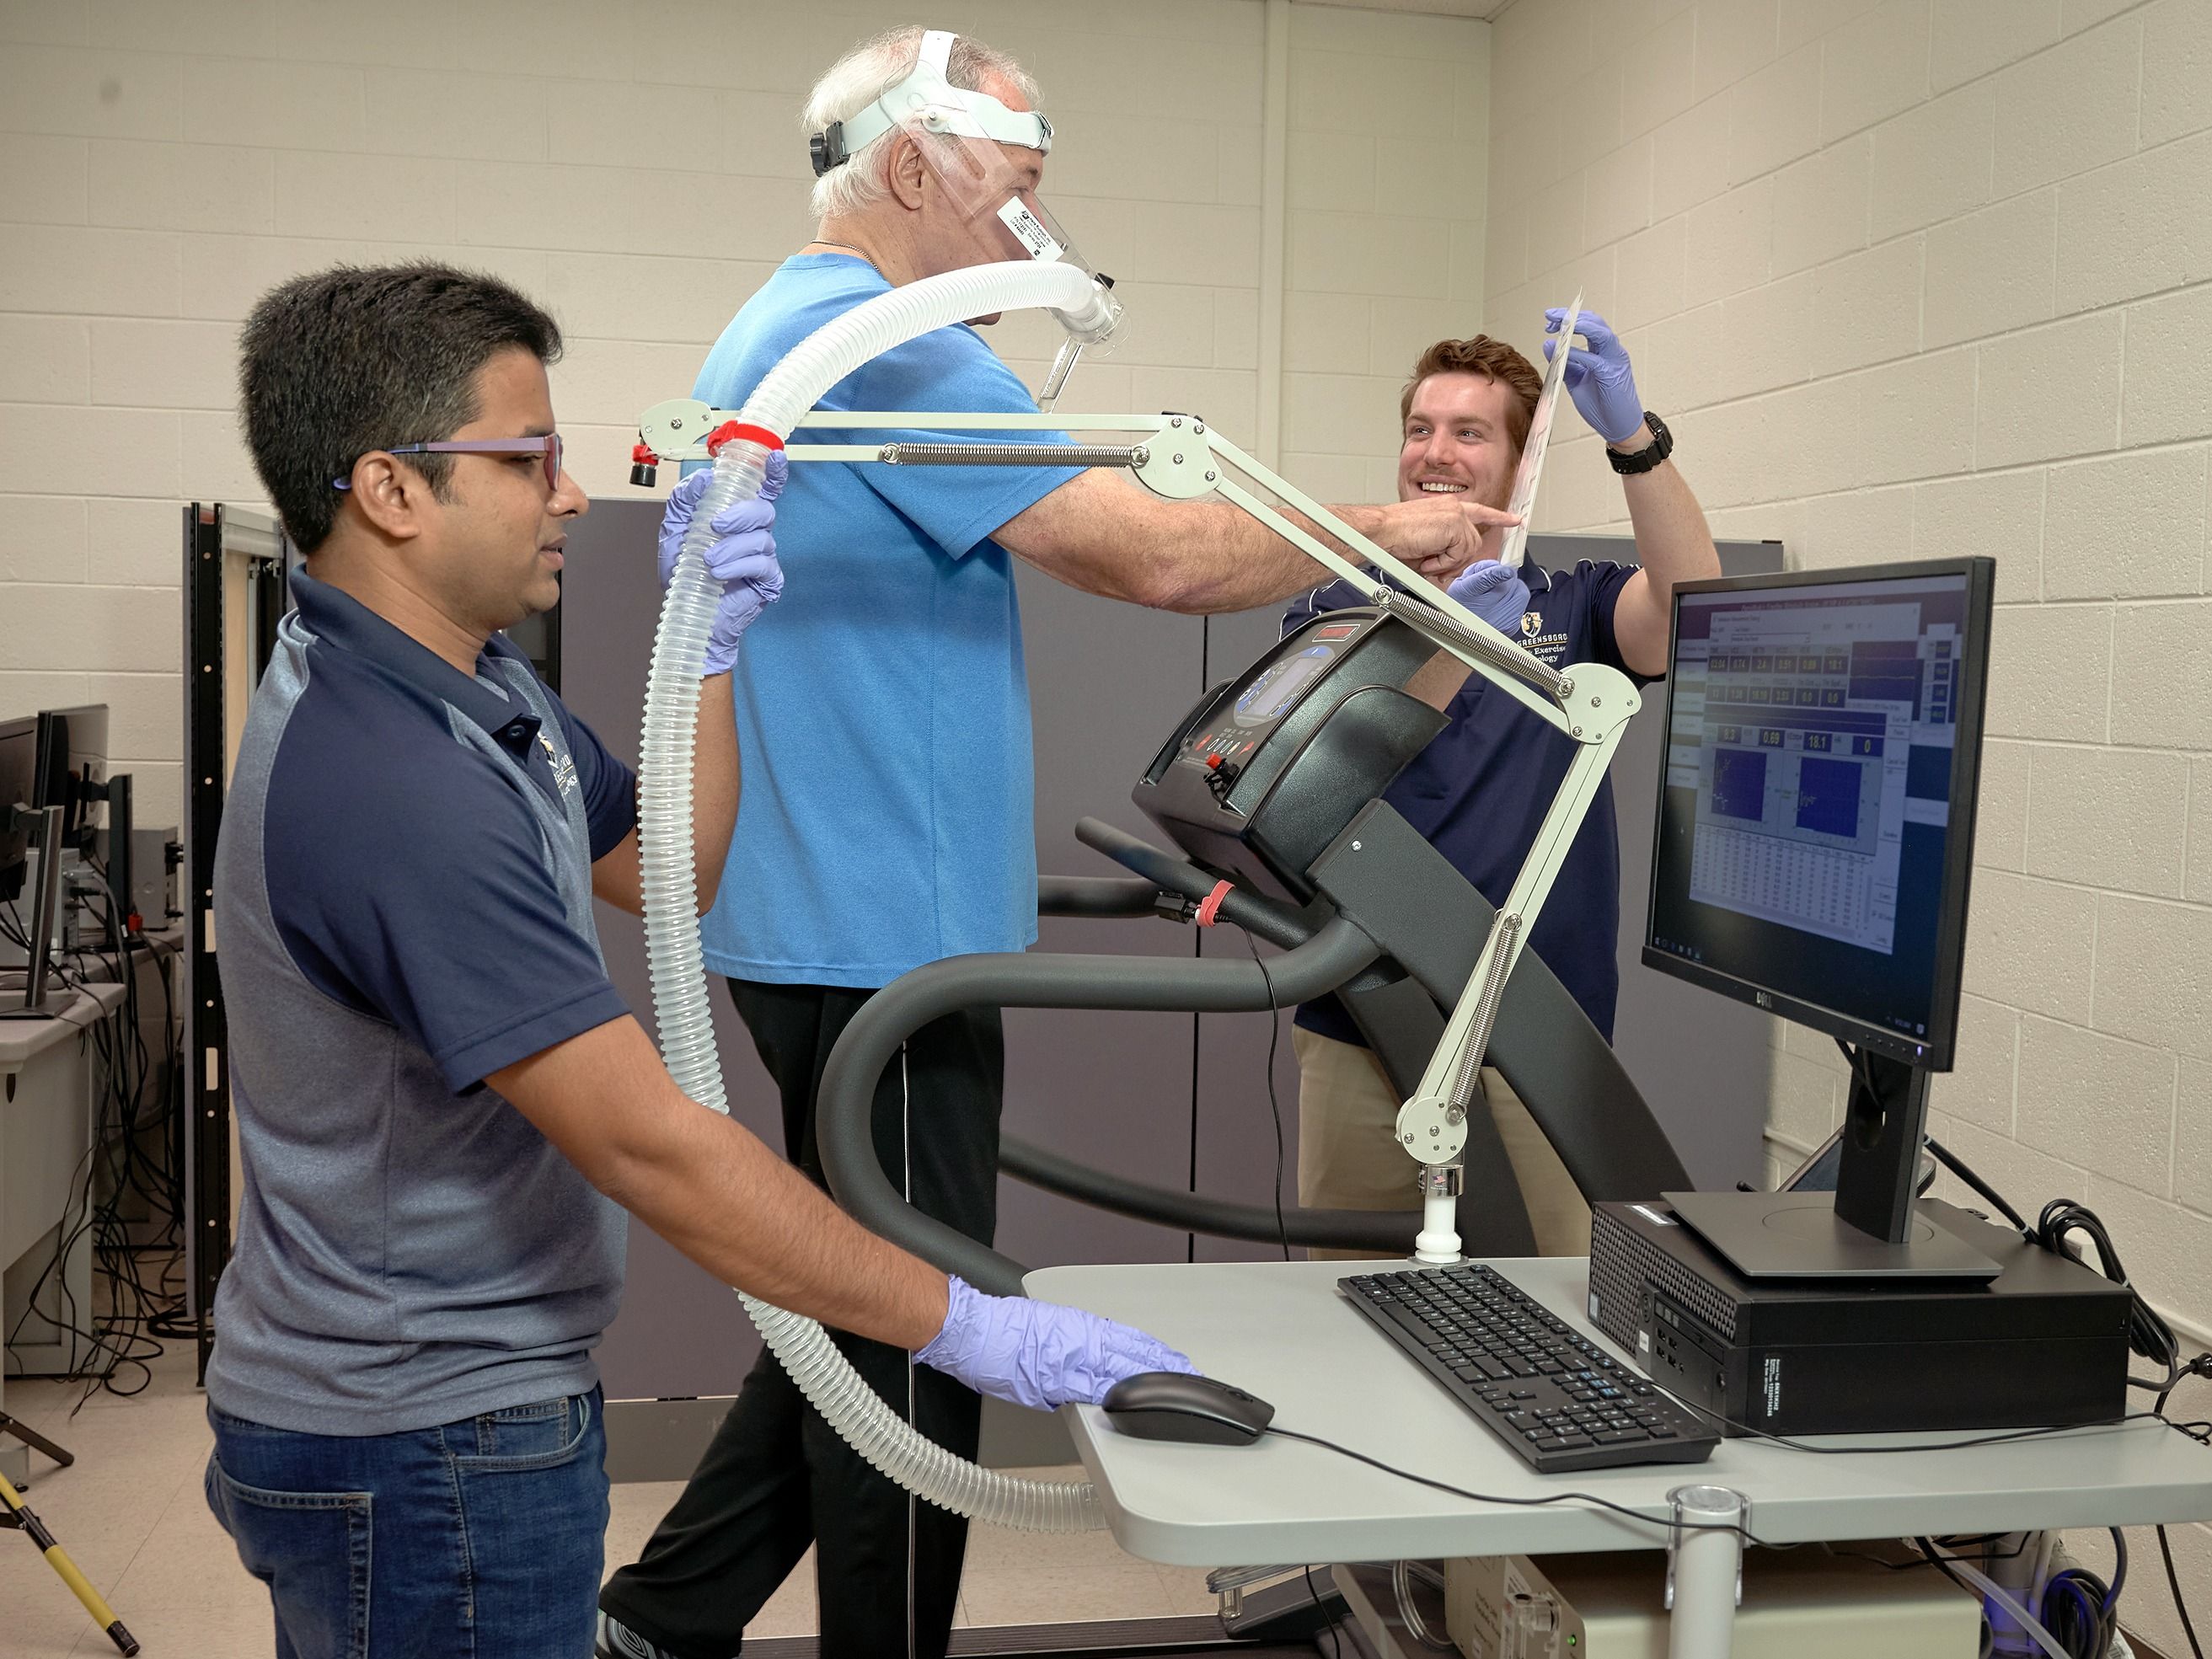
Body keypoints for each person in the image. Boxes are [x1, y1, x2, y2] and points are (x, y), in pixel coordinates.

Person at [596, 25, 1516, 1659]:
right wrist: (1393, 534)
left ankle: (663, 1620)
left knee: (853, 1296)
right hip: (878, 935)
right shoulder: (875, 339)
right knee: (910, 1343)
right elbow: (1150, 555)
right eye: (1015, 191)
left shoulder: (788, 322)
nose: (1031, 234)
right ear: (909, 170)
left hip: (833, 918)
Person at [204, 262, 1194, 1659]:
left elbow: (670, 861)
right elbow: (656, 1146)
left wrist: (711, 645)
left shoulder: (478, 682)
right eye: (528, 455)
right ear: (393, 489)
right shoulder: (394, 785)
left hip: (465, 1389)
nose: (566, 490)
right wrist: (968, 1325)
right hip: (420, 1431)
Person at [1283, 322, 1722, 1260]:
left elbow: (1695, 611)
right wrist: (1447, 638)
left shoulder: (1571, 607)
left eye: (1470, 433)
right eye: (1420, 428)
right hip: (1363, 1015)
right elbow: (1329, 762)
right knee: (1344, 1301)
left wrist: (1634, 442)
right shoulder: (1333, 607)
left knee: (1547, 1307)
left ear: (1523, 466)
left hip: (1540, 1031)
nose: (1435, 453)